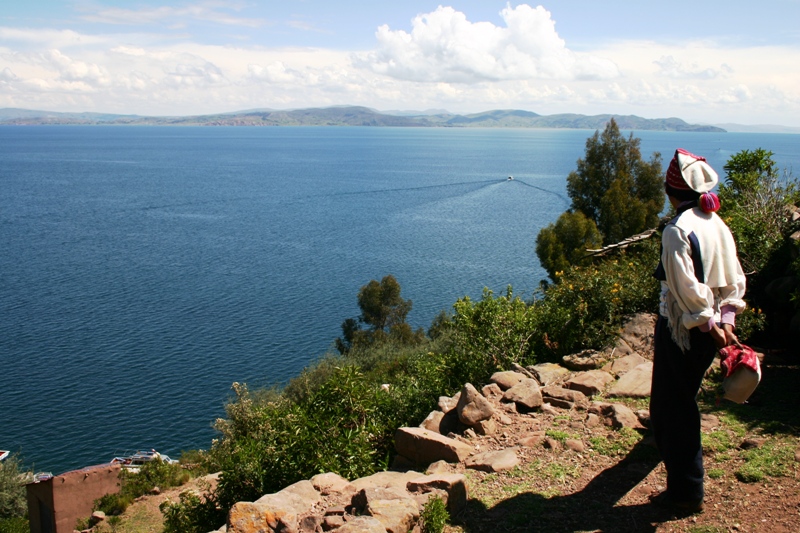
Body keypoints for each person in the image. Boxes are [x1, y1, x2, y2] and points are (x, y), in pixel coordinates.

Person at [649, 148, 746, 513]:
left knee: (673, 409)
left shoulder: (677, 230)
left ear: (670, 190)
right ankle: (681, 476)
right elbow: (734, 278)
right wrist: (726, 320)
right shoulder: (715, 222)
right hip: (711, 326)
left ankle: (686, 492)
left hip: (683, 329)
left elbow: (684, 287)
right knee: (679, 401)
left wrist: (707, 322)